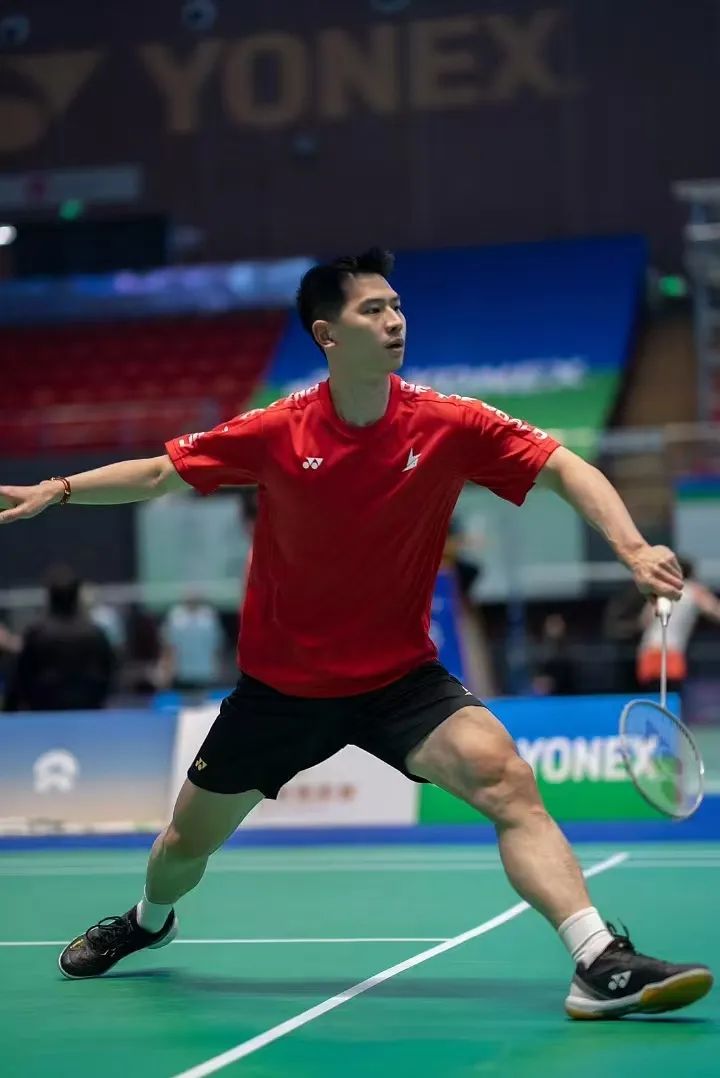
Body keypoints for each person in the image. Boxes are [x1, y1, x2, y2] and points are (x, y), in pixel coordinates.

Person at [0, 248, 712, 1018]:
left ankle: (597, 959)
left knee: (507, 781)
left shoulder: (449, 422)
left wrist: (632, 548)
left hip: (399, 681)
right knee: (182, 846)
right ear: (327, 335)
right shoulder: (277, 430)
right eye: (373, 310)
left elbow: (565, 467)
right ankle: (148, 921)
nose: (395, 320)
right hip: (281, 691)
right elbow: (157, 473)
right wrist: (59, 488)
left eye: (397, 306)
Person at [4, 566, 114, 711]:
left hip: (46, 708)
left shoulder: (37, 634)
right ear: (76, 596)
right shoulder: (96, 633)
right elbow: (110, 675)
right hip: (86, 707)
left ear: (49, 597)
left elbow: (20, 677)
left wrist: (8, 710)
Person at [636, 556, 720, 695]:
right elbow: (715, 611)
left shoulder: (660, 591)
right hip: (671, 651)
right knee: (672, 696)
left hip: (648, 650)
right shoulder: (695, 591)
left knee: (652, 697)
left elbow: (644, 621)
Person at [161, 591, 224, 692]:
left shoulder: (209, 616)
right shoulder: (175, 616)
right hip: (182, 672)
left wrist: (217, 667)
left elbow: (216, 645)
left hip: (205, 672)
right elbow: (169, 646)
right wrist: (167, 670)